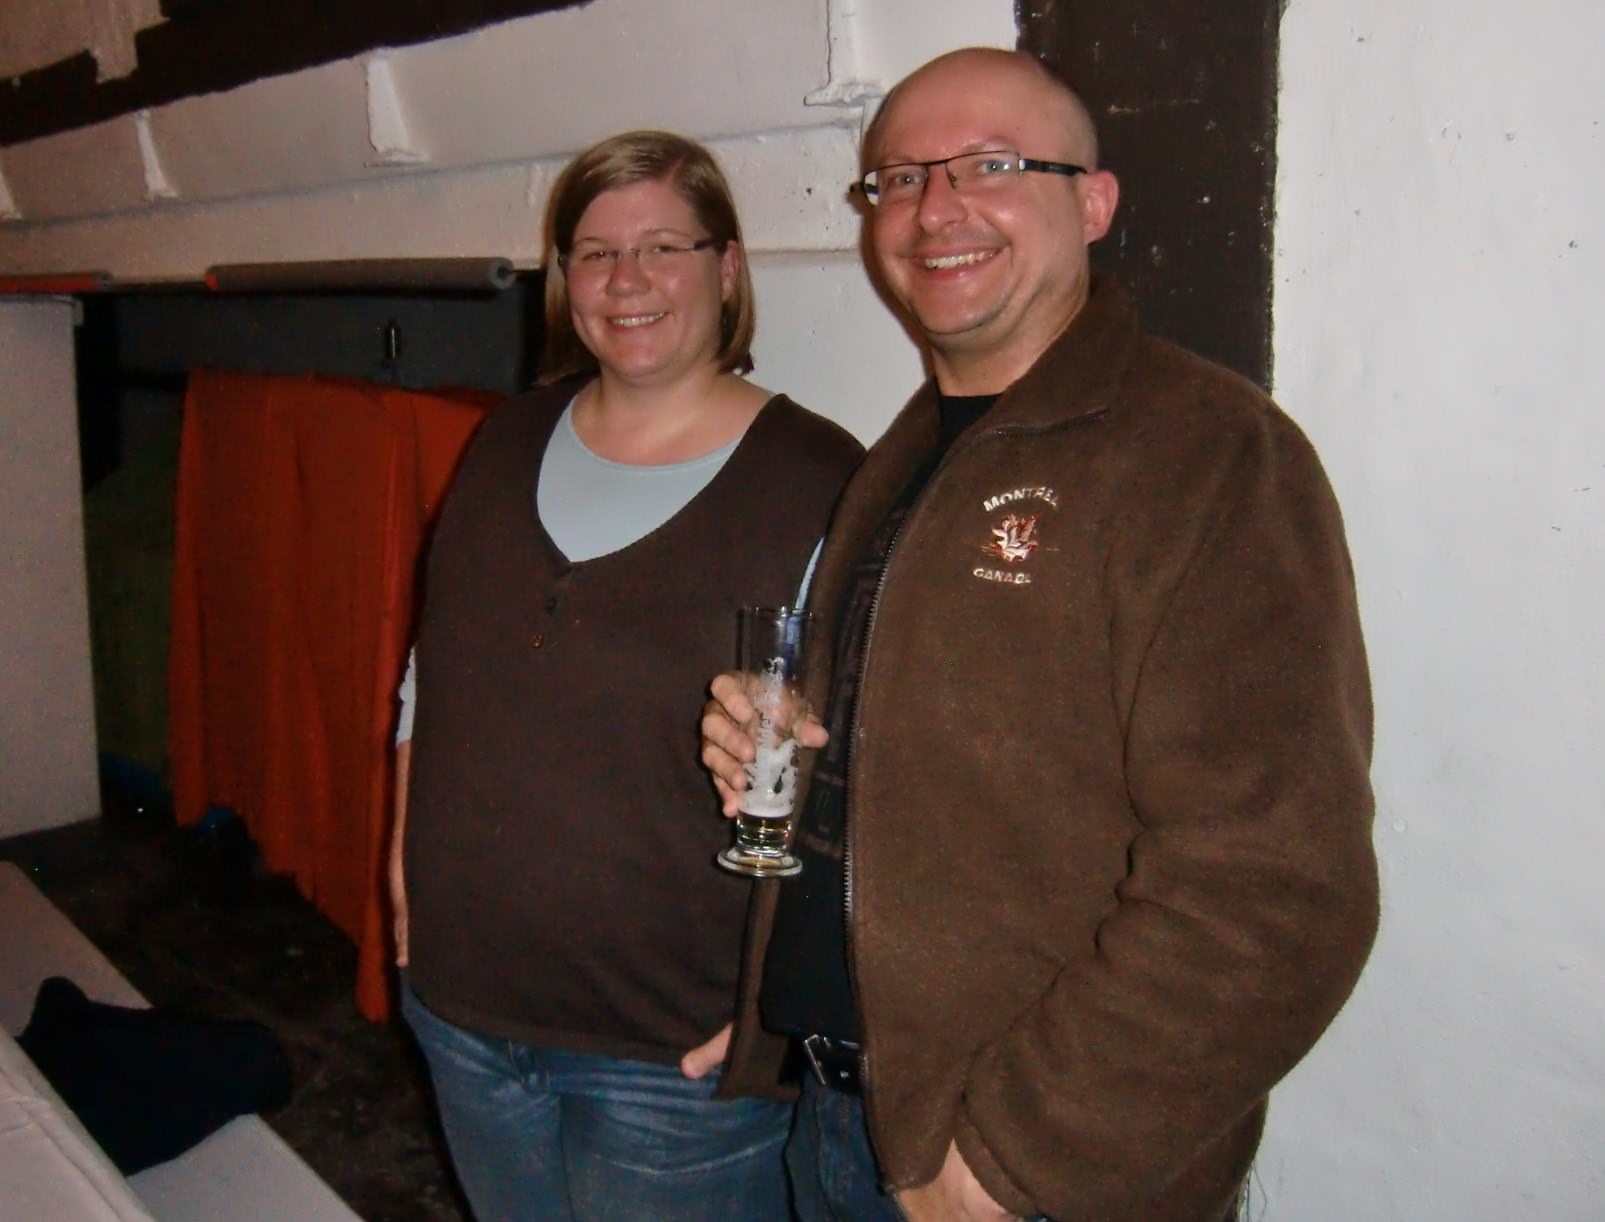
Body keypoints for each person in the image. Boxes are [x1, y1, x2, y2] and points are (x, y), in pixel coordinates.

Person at [698, 48, 1379, 1222]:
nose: (935, 208)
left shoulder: (1208, 452)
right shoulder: (911, 451)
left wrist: (1010, 1163)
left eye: (992, 165)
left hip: (1023, 1176)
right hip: (842, 1117)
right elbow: (957, 788)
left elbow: (1278, 885)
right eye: (900, 178)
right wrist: (792, 760)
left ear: (1095, 203)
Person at [390, 130, 863, 1222]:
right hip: (463, 1008)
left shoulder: (819, 479)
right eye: (596, 254)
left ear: (727, 268)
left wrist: (780, 1001)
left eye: (662, 247)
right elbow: (428, 676)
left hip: (670, 1054)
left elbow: (864, 770)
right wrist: (401, 866)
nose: (627, 280)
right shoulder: (504, 440)